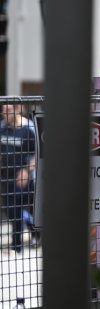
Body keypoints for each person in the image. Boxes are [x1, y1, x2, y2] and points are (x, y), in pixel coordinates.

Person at [0, 104, 37, 254]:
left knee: (18, 209)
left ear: (18, 109)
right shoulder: (3, 129)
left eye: (8, 110)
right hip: (6, 177)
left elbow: (37, 154)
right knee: (11, 210)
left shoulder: (28, 130)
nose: (5, 113)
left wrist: (27, 171)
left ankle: (17, 246)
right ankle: (32, 228)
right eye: (3, 111)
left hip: (23, 177)